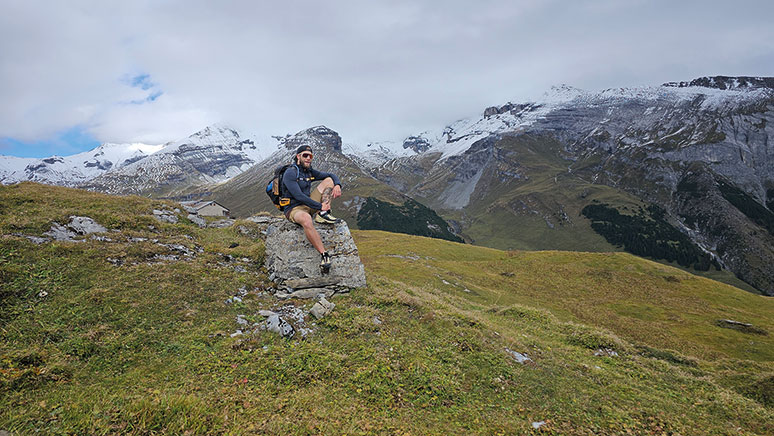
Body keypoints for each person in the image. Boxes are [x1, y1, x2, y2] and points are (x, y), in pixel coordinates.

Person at [282, 144, 343, 273]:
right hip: (294, 209)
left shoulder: (309, 171)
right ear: (298, 156)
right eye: (305, 155)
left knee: (329, 181)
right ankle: (324, 255)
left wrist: (337, 185)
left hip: (309, 205)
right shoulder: (291, 173)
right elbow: (298, 195)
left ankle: (323, 214)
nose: (308, 158)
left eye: (310, 156)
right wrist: (319, 205)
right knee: (306, 219)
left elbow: (331, 175)